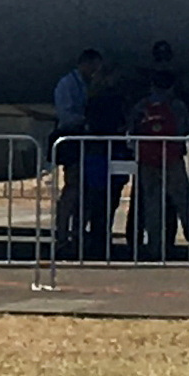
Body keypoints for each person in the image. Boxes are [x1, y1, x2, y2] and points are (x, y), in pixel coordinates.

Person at [125, 69, 189, 260]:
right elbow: (185, 128)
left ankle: (155, 246)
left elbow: (131, 129)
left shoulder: (142, 106)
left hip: (147, 160)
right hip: (172, 158)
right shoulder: (177, 105)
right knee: (183, 202)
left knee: (152, 204)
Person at [52, 50, 110, 255]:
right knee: (72, 189)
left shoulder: (87, 85)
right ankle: (61, 234)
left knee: (85, 191)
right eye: (94, 66)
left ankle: (77, 234)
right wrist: (86, 121)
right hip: (73, 139)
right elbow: (65, 114)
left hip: (87, 141)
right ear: (85, 64)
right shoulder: (68, 84)